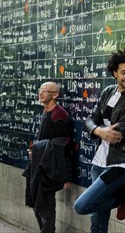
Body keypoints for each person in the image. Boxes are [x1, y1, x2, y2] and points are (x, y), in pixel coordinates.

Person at [74, 49, 125, 233]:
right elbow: (90, 120)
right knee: (97, 218)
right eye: (124, 72)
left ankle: (124, 197)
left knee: (82, 206)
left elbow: (119, 132)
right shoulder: (108, 91)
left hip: (121, 164)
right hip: (100, 159)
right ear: (115, 73)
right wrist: (99, 130)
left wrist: (101, 130)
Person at [23, 81, 73, 233]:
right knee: (37, 204)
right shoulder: (46, 111)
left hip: (49, 169)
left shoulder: (59, 115)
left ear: (55, 95)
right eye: (40, 89)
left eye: (45, 90)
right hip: (39, 164)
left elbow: (64, 143)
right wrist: (35, 151)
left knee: (47, 209)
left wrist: (67, 177)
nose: (41, 93)